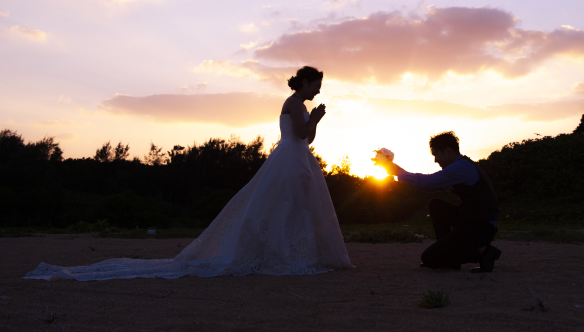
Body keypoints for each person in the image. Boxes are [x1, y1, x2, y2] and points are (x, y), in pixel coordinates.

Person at [25, 66, 352, 281]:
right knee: (285, 207)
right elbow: (300, 131)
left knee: (297, 208)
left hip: (298, 158)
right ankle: (282, 256)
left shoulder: (303, 105)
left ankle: (293, 254)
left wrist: (316, 121)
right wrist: (317, 119)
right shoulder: (295, 102)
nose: (318, 92)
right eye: (317, 86)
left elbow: (306, 137)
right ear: (306, 82)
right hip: (290, 159)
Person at [374, 131, 501, 273]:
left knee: (430, 258)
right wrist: (393, 168)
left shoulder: (461, 168)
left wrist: (396, 172)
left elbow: (427, 183)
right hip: (472, 220)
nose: (435, 160)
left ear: (447, 151)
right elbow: (427, 185)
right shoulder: (459, 167)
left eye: (436, 154)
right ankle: (450, 260)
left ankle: (485, 252)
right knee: (436, 205)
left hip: (481, 227)